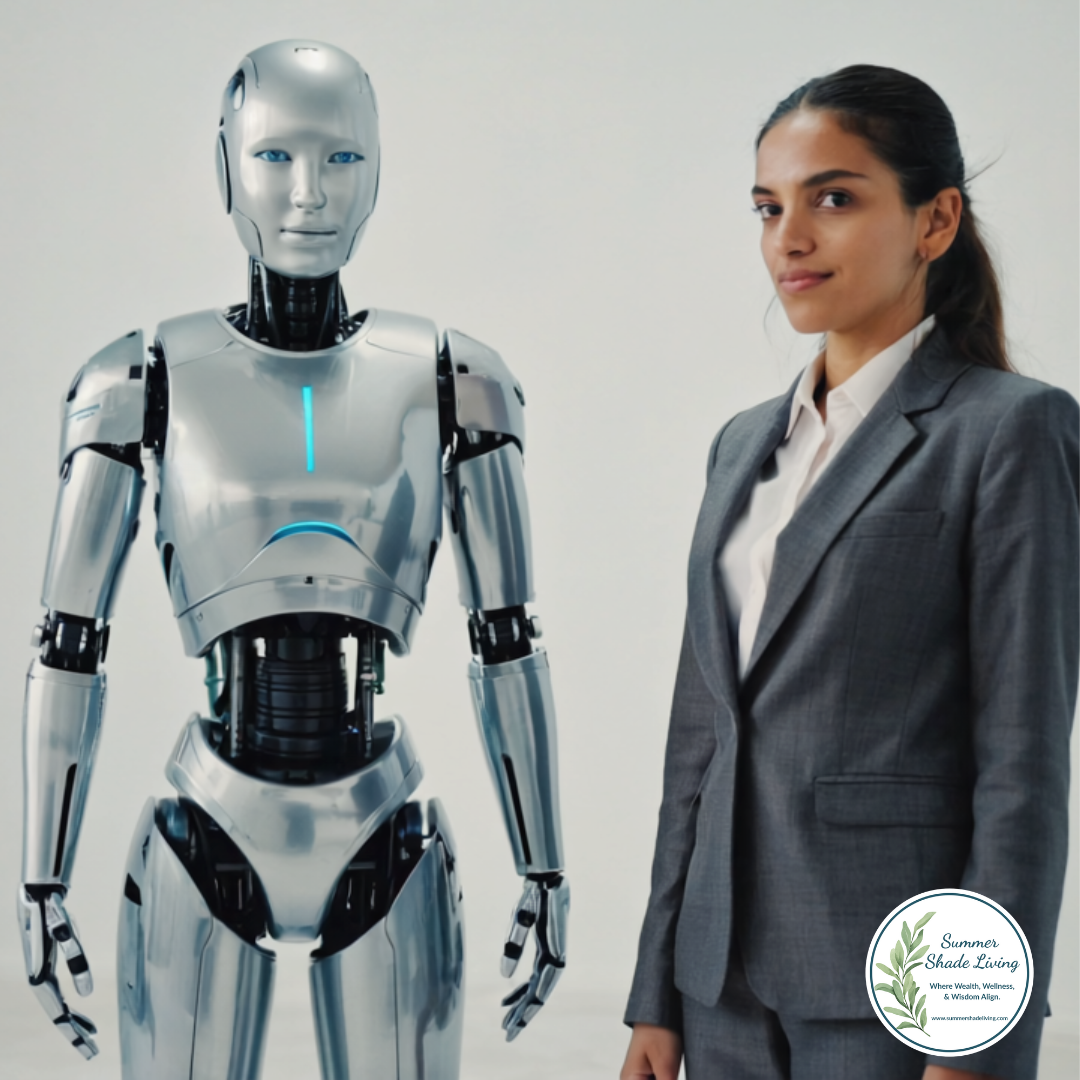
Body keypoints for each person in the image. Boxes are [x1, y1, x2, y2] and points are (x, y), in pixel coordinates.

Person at [17, 40, 568, 1077]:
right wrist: (39, 878)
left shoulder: (451, 376)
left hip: (384, 823)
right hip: (206, 820)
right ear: (227, 166)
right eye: (275, 156)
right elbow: (67, 641)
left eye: (341, 158)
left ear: (377, 168)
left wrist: (546, 866)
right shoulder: (143, 377)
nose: (309, 192)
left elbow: (507, 637)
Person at [620, 65, 1077, 1080]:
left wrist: (973, 1031)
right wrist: (657, 993)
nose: (789, 237)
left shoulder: (1009, 430)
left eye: (832, 198)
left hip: (895, 984)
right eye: (768, 207)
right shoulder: (741, 446)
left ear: (935, 220)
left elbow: (1023, 761)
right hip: (717, 987)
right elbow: (700, 740)